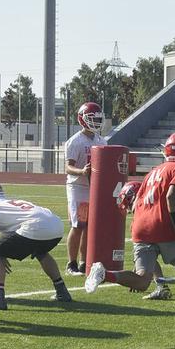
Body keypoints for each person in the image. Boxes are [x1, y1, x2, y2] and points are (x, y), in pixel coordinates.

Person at [84, 132, 175, 334]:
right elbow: (172, 197)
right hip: (163, 226)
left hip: (140, 226)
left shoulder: (154, 171)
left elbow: (137, 203)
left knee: (143, 280)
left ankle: (104, 274)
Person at [0, 179, 73, 310]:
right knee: (40, 251)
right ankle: (62, 291)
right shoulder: (9, 202)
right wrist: (3, 254)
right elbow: (7, 239)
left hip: (36, 226)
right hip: (56, 226)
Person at [116, 180, 175, 300]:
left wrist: (139, 272)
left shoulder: (141, 215)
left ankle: (161, 287)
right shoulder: (152, 202)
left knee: (152, 253)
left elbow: (144, 248)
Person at [63, 101, 107, 276]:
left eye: (97, 119)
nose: (95, 122)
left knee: (90, 226)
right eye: (92, 118)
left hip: (94, 188)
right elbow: (67, 167)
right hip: (78, 187)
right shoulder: (75, 141)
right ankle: (71, 264)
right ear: (82, 119)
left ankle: (84, 262)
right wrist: (82, 171)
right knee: (78, 225)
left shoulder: (101, 140)